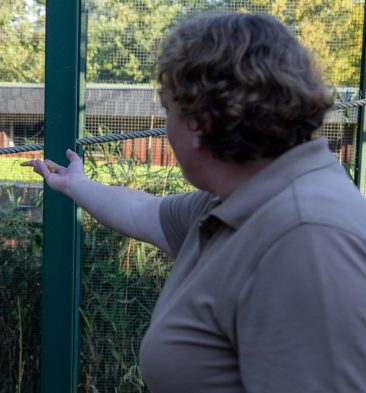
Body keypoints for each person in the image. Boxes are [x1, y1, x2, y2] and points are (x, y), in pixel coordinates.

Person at [25, 11, 366, 393]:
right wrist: (76, 185)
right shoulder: (236, 202)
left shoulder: (305, 236)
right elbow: (145, 212)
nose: (166, 125)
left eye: (168, 110)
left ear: (200, 122)